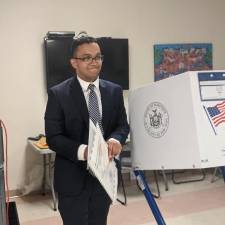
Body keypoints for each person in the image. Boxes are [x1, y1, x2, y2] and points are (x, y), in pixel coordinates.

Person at [44, 34, 129, 225]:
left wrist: (115, 140)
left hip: (103, 179)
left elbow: (122, 125)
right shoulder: (58, 94)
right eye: (87, 57)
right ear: (74, 62)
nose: (94, 62)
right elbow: (54, 137)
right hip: (72, 181)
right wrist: (86, 151)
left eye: (98, 56)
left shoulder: (114, 91)